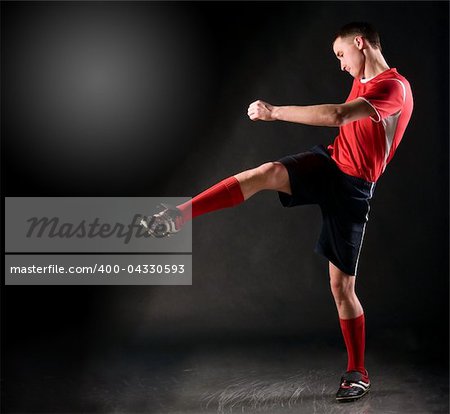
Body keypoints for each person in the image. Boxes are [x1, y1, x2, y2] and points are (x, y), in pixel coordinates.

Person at [140, 22, 413, 402]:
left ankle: (357, 371)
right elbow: (341, 123)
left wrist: (274, 112)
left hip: (353, 190)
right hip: (329, 164)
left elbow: (337, 115)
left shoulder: (394, 87)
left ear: (359, 43)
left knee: (341, 288)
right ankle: (176, 217)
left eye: (340, 55)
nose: (340, 65)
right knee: (265, 173)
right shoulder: (364, 76)